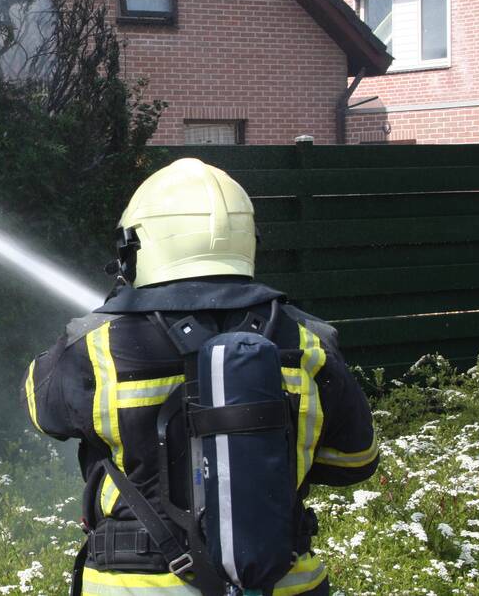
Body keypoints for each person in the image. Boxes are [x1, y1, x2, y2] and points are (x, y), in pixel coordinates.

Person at [22, 158, 378, 596]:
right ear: (248, 242)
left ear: (136, 249)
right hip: (285, 583)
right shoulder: (310, 342)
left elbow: (45, 415)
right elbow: (354, 462)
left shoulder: (95, 346)